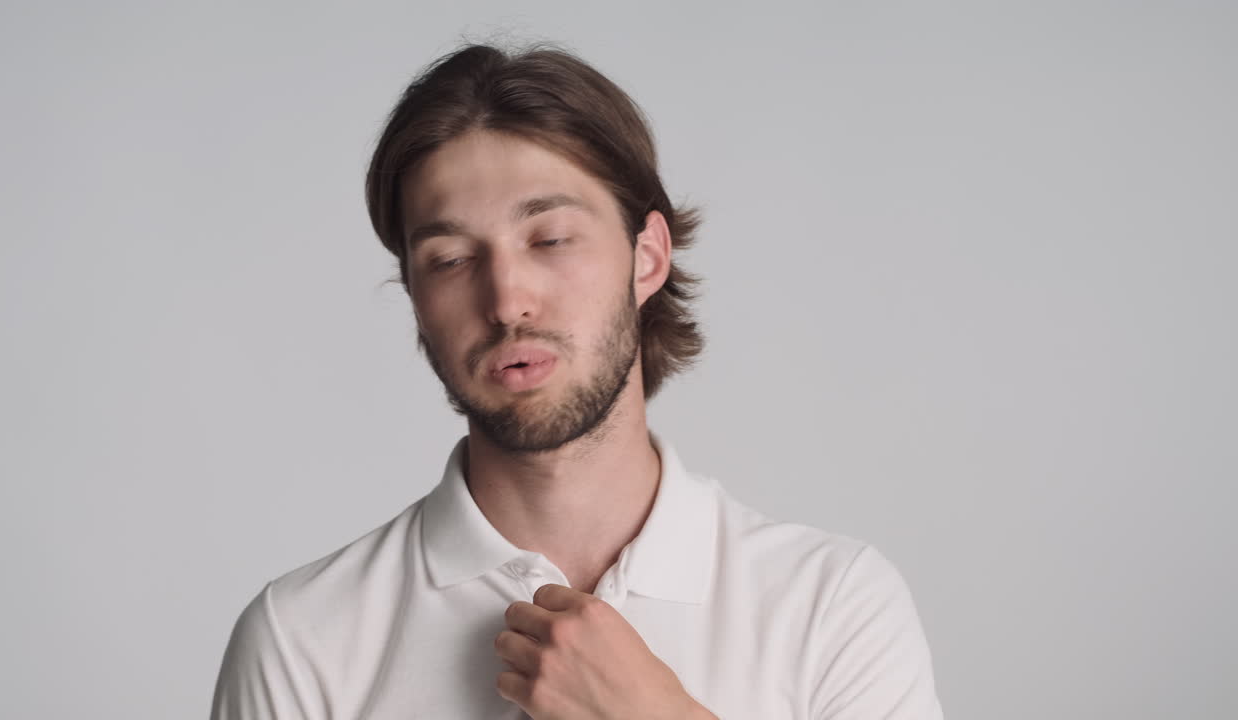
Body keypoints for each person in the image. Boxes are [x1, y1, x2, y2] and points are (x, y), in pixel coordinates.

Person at [209, 41, 944, 720]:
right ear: (415, 298)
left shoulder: (832, 604)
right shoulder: (302, 638)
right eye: (451, 260)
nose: (506, 301)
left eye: (550, 239)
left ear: (647, 257)